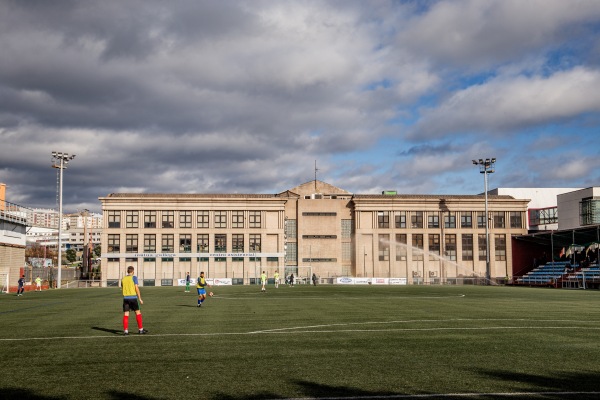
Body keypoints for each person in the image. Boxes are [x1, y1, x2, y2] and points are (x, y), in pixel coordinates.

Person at [121, 266, 148, 335]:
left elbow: (122, 287)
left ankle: (126, 331)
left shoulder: (123, 278)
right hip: (133, 298)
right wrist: (140, 298)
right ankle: (140, 329)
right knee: (138, 312)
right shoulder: (134, 277)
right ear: (133, 271)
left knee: (126, 314)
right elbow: (136, 288)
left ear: (127, 271)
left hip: (125, 298)